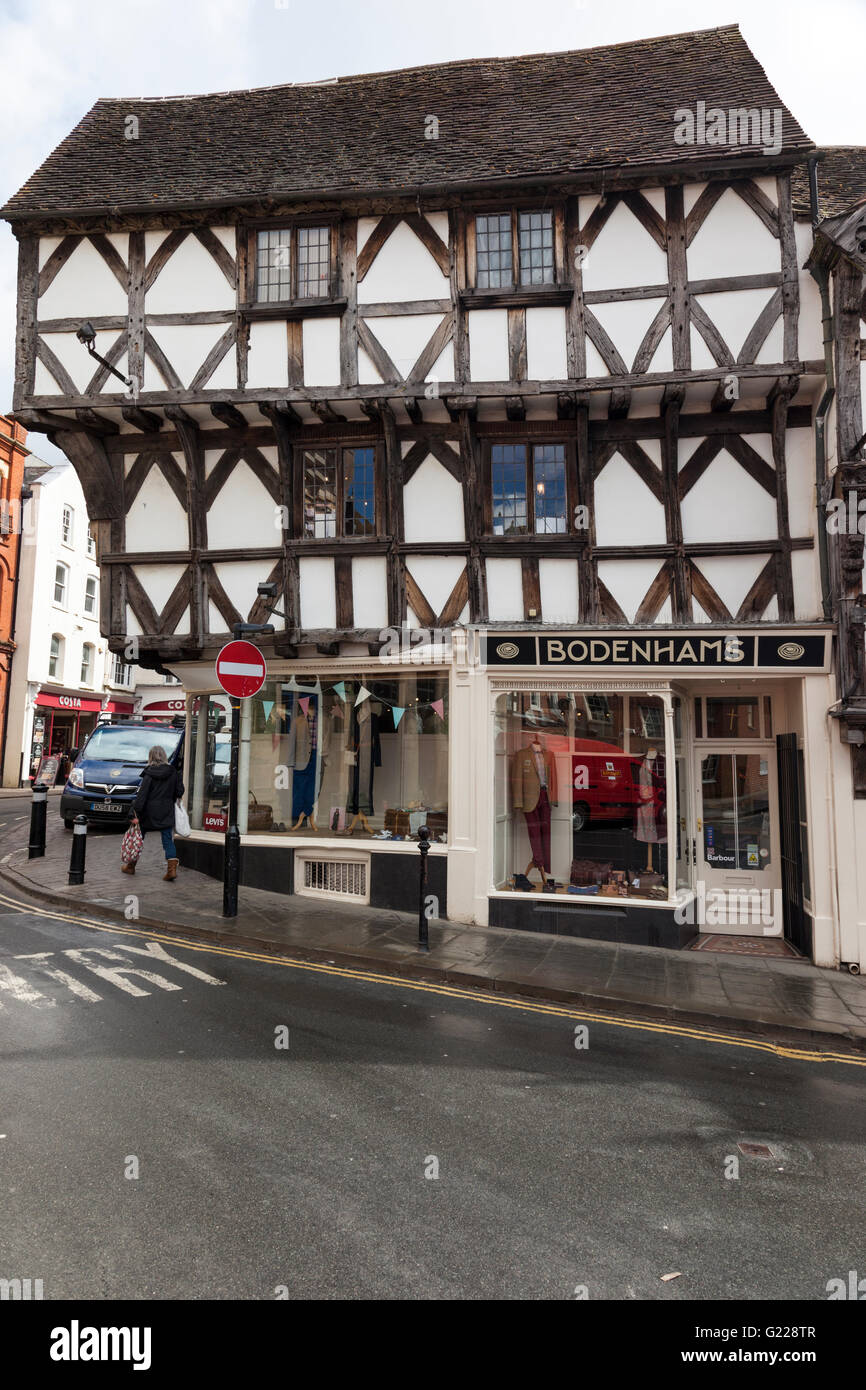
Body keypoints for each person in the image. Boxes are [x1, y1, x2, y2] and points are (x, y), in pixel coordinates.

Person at [123, 745, 184, 881]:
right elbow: (179, 791)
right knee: (168, 841)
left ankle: (131, 866)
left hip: (148, 813)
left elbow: (142, 796)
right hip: (166, 811)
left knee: (138, 838)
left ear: (150, 757)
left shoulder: (149, 774)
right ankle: (171, 870)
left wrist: (134, 813)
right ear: (164, 756)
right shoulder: (173, 772)